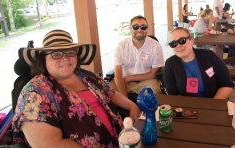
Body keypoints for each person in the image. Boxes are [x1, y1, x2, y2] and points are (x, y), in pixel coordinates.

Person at [12, 29, 140, 147]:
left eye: (70, 52)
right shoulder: (34, 92)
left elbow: (110, 93)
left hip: (123, 140)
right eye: (56, 54)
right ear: (43, 58)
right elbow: (52, 144)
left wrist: (131, 106)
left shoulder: (85, 75)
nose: (65, 58)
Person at [164, 27, 234, 99]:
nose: (178, 45)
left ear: (191, 41)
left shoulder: (209, 56)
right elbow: (173, 94)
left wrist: (212, 106)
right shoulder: (170, 64)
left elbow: (227, 85)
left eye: (182, 40)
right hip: (186, 107)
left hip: (214, 102)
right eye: (173, 43)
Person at [110, 15, 164, 98]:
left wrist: (129, 78)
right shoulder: (122, 45)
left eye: (143, 27)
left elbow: (153, 74)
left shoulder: (155, 46)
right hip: (125, 82)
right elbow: (118, 75)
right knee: (109, 92)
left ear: (147, 29)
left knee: (155, 91)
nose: (139, 30)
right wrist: (125, 100)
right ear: (130, 29)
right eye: (135, 27)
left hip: (146, 81)